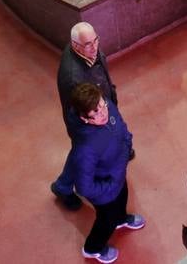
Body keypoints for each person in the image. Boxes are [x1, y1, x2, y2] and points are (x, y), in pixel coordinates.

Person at [68, 83, 142, 263]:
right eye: (96, 114)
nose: (103, 113)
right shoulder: (85, 149)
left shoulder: (106, 104)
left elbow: (120, 125)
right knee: (105, 221)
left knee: (123, 196)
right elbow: (84, 187)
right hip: (105, 190)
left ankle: (121, 218)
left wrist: (128, 142)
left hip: (118, 173)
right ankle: (93, 248)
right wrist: (108, 187)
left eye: (102, 106)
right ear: (85, 119)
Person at [51, 22, 121, 211]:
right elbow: (82, 110)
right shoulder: (73, 78)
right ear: (76, 45)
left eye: (95, 40)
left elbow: (102, 74)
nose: (95, 47)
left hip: (103, 104)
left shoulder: (86, 47)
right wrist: (97, 124)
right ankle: (63, 186)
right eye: (88, 44)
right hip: (85, 122)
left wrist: (111, 97)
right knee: (83, 154)